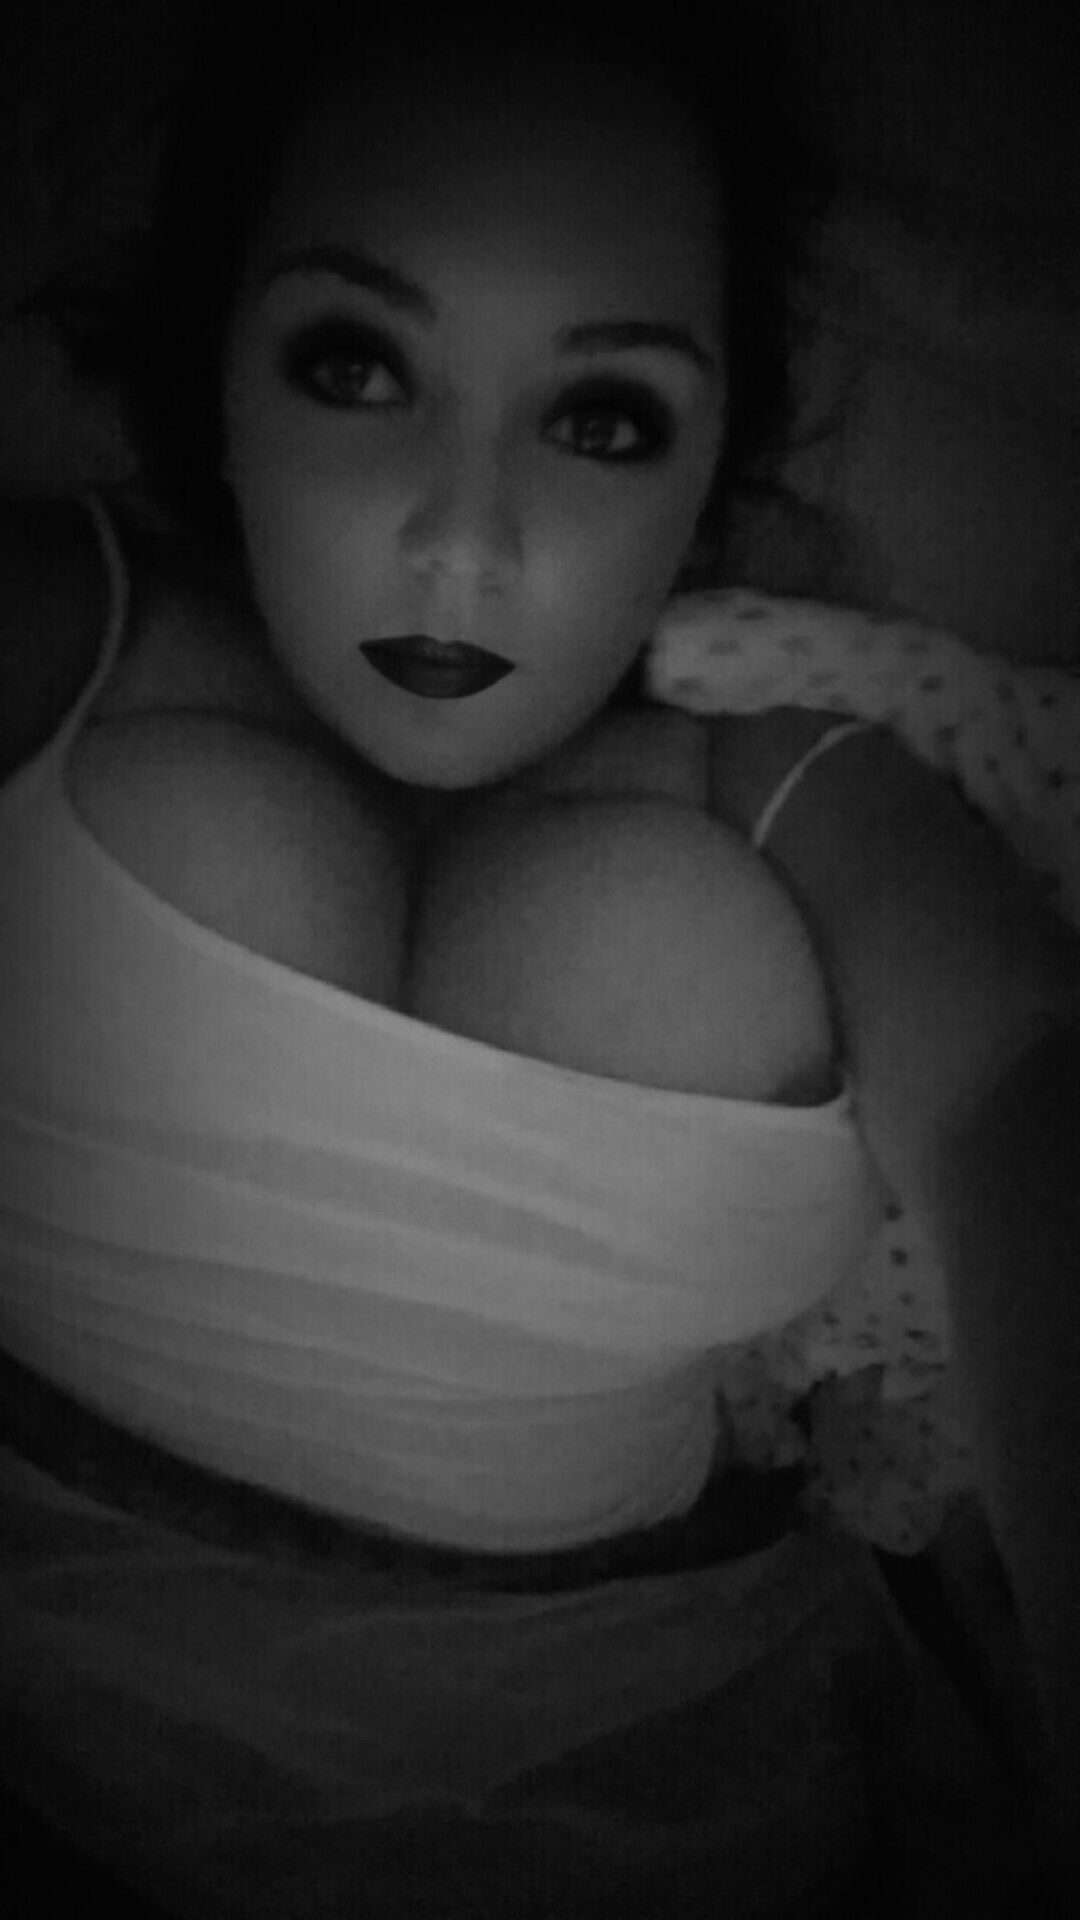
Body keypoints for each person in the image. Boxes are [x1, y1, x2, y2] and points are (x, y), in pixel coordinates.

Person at [0, 4, 1076, 1912]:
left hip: (679, 1784)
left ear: (713, 462)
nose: (464, 541)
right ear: (217, 370)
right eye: (353, 365)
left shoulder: (808, 788)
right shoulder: (57, 619)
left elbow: (1024, 1099)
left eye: (603, 421)